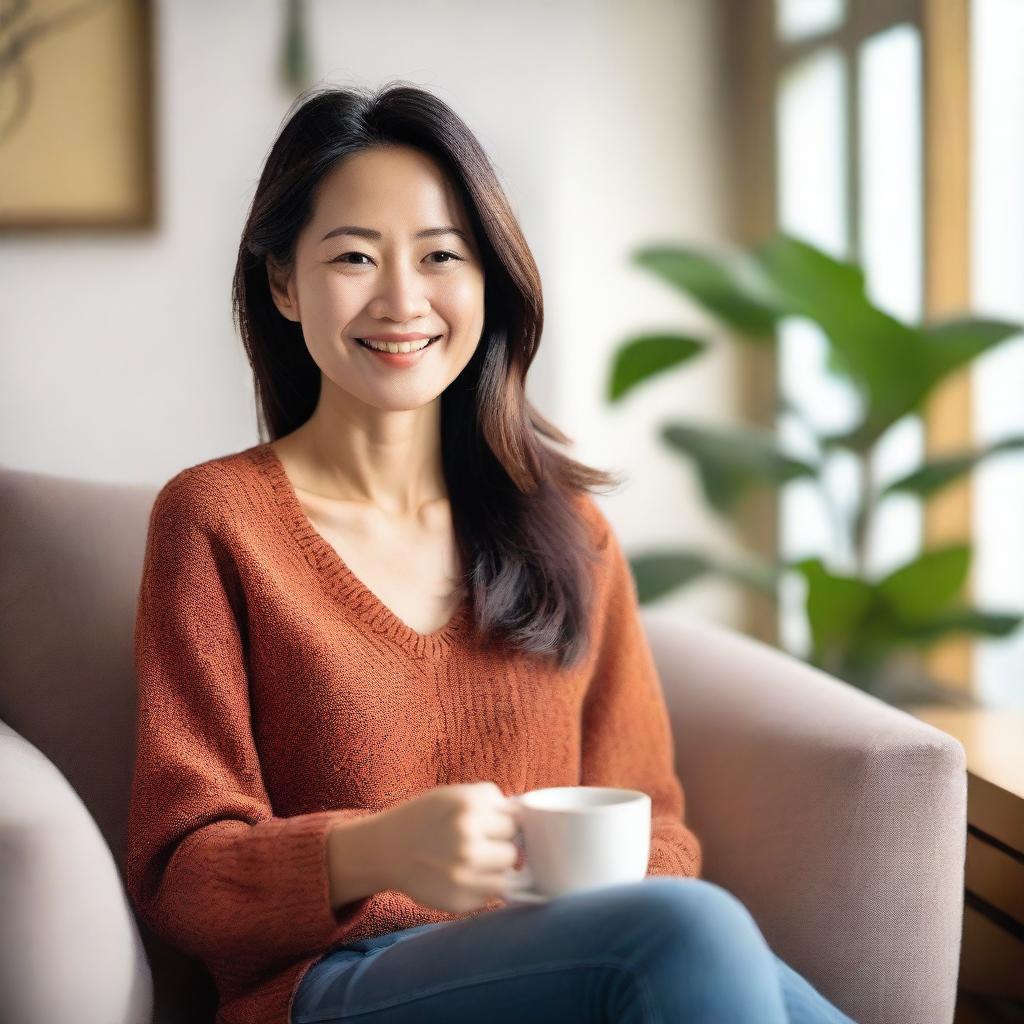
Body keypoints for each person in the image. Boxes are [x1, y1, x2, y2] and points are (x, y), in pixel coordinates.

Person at [123, 82, 857, 1024]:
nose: (402, 300)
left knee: (733, 958)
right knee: (696, 937)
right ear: (283, 283)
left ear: (488, 281)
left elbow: (656, 825)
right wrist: (373, 851)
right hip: (339, 983)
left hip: (584, 957)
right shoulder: (215, 520)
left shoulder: (569, 529)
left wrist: (584, 901)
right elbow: (183, 871)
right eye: (353, 256)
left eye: (441, 256)